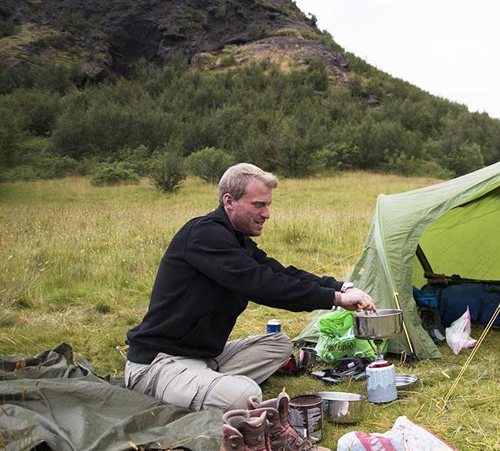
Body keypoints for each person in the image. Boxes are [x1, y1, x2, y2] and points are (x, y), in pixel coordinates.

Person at [125, 163, 376, 412]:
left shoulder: (236, 240)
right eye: (258, 205)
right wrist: (335, 299)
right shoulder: (204, 235)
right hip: (159, 363)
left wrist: (341, 287)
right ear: (229, 201)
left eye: (268, 205)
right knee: (245, 395)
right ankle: (206, 386)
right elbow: (264, 285)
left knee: (279, 344)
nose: (266, 213)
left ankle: (206, 382)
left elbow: (279, 272)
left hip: (205, 357)